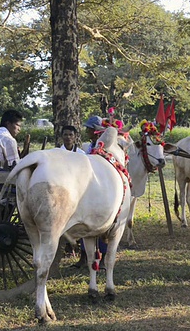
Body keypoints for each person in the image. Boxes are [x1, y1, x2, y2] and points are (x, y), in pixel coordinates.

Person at [71, 115, 108, 269]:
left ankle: (104, 258)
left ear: (95, 131)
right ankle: (84, 256)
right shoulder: (88, 147)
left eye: (88, 129)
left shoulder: (104, 147)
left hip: (101, 189)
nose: (86, 131)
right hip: (87, 188)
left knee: (103, 227)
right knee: (84, 224)